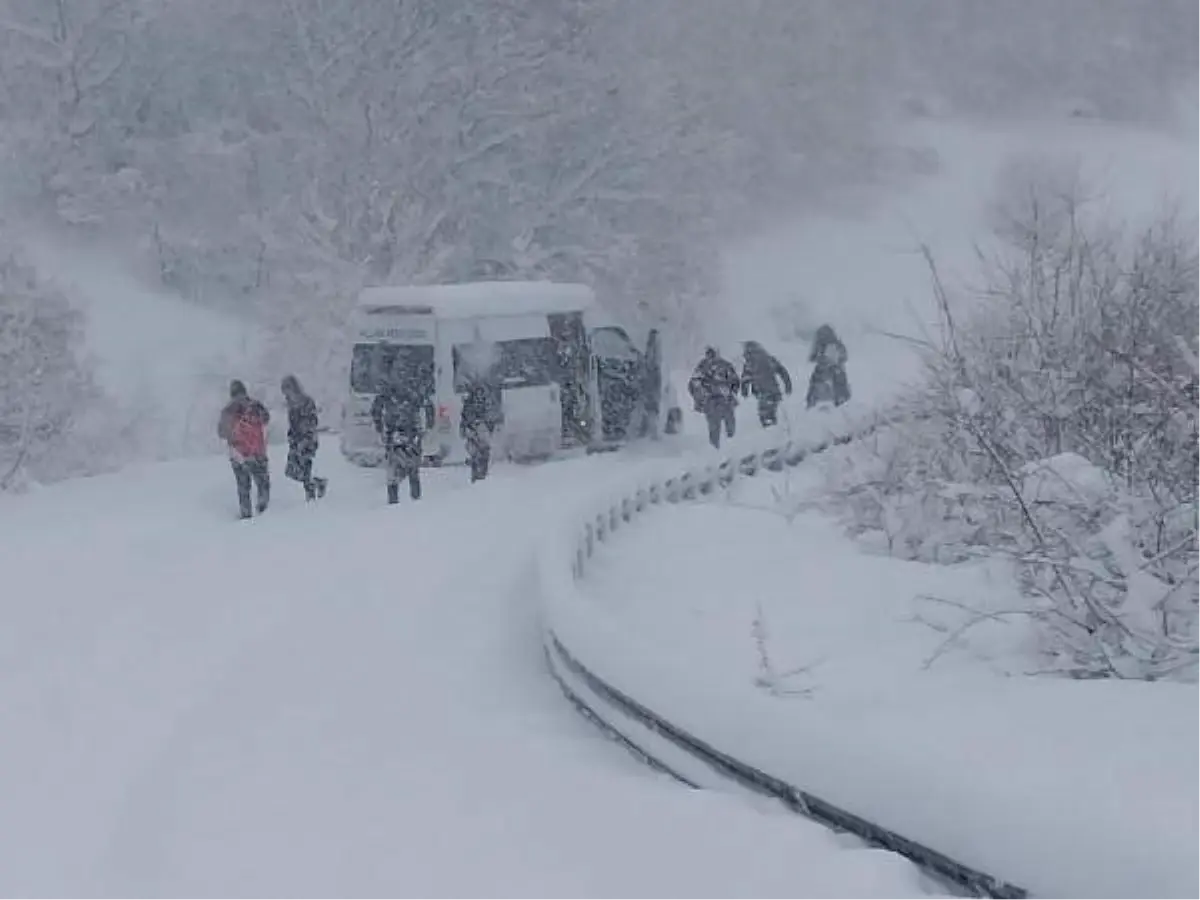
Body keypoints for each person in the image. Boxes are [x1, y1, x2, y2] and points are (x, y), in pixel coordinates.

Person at [371, 373, 433, 504]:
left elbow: (376, 409)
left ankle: (397, 499)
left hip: (401, 433)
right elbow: (428, 405)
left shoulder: (390, 394)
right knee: (410, 469)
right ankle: (413, 498)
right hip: (405, 433)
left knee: (399, 469)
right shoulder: (413, 392)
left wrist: (379, 426)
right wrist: (427, 426)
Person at [217, 379, 270, 519]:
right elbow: (266, 419)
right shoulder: (256, 405)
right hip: (258, 452)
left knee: (243, 485)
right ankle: (264, 510)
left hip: (238, 455)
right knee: (262, 482)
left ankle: (246, 514)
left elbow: (221, 433)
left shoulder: (228, 410)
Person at [281, 375, 328, 502]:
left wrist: (306, 437)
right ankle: (318, 483)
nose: (286, 393)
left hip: (308, 440)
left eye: (287, 389)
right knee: (292, 470)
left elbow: (312, 421)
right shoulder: (291, 404)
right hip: (296, 440)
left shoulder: (306, 401)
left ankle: (310, 495)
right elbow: (293, 424)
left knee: (305, 466)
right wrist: (291, 437)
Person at [688, 346, 740, 449]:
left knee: (726, 426)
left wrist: (731, 392)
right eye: (709, 353)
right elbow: (693, 384)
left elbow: (735, 381)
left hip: (721, 400)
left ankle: (730, 448)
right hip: (714, 401)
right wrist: (700, 396)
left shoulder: (721, 365)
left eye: (711, 353)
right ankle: (719, 451)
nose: (710, 356)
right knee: (717, 428)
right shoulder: (705, 365)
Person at [460, 373, 504, 483]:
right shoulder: (473, 401)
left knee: (482, 450)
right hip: (476, 428)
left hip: (479, 427)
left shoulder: (481, 400)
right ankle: (477, 472)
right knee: (478, 450)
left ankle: (480, 472)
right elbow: (465, 416)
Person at [740, 340, 793, 427]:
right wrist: (788, 385)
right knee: (772, 412)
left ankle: (771, 431)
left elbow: (745, 379)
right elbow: (782, 371)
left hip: (763, 392)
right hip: (775, 391)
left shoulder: (750, 362)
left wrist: (744, 391)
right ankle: (775, 429)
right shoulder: (769, 358)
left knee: (765, 415)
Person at [807, 324, 850, 408]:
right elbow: (812, 357)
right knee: (815, 380)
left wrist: (835, 361)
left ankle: (841, 398)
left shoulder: (836, 344)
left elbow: (844, 356)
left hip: (835, 368)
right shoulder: (820, 345)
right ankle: (811, 400)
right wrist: (819, 358)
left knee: (839, 378)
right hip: (823, 368)